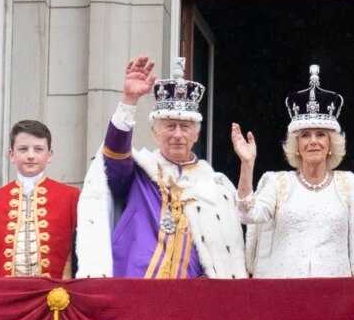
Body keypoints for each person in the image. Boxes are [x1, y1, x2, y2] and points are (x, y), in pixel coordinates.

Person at [76, 56, 245, 278]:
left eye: (185, 127)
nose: (177, 134)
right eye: (169, 126)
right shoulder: (140, 172)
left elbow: (222, 249)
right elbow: (114, 155)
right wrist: (129, 100)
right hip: (136, 285)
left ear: (196, 134)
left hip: (190, 293)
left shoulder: (214, 185)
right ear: (156, 132)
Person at [231, 65, 354, 278]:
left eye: (321, 134)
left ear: (331, 142)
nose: (313, 141)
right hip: (284, 294)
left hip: (335, 295)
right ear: (296, 144)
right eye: (305, 135)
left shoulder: (349, 183)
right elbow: (247, 214)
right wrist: (247, 164)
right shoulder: (277, 182)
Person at [0, 121, 79, 278]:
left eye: (38, 149)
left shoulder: (70, 196)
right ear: (12, 155)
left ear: (49, 155)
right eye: (23, 149)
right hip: (6, 295)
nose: (30, 156)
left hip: (55, 296)